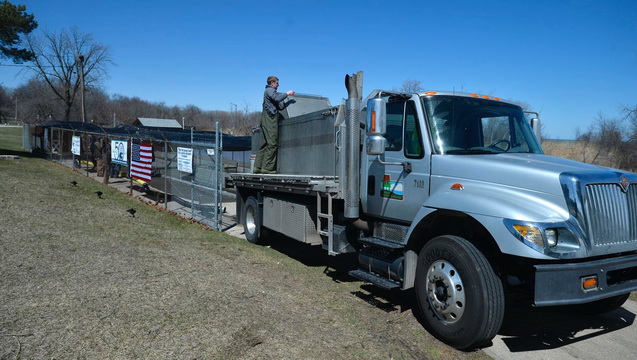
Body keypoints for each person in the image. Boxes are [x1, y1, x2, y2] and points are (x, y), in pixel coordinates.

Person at [253, 76, 295, 174]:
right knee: (272, 143)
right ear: (272, 83)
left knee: (264, 144)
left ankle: (257, 167)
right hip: (269, 120)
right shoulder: (269, 90)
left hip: (267, 120)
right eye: (277, 83)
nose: (278, 85)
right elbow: (276, 98)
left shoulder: (273, 93)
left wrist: (286, 101)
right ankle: (267, 168)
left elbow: (280, 105)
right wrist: (287, 93)